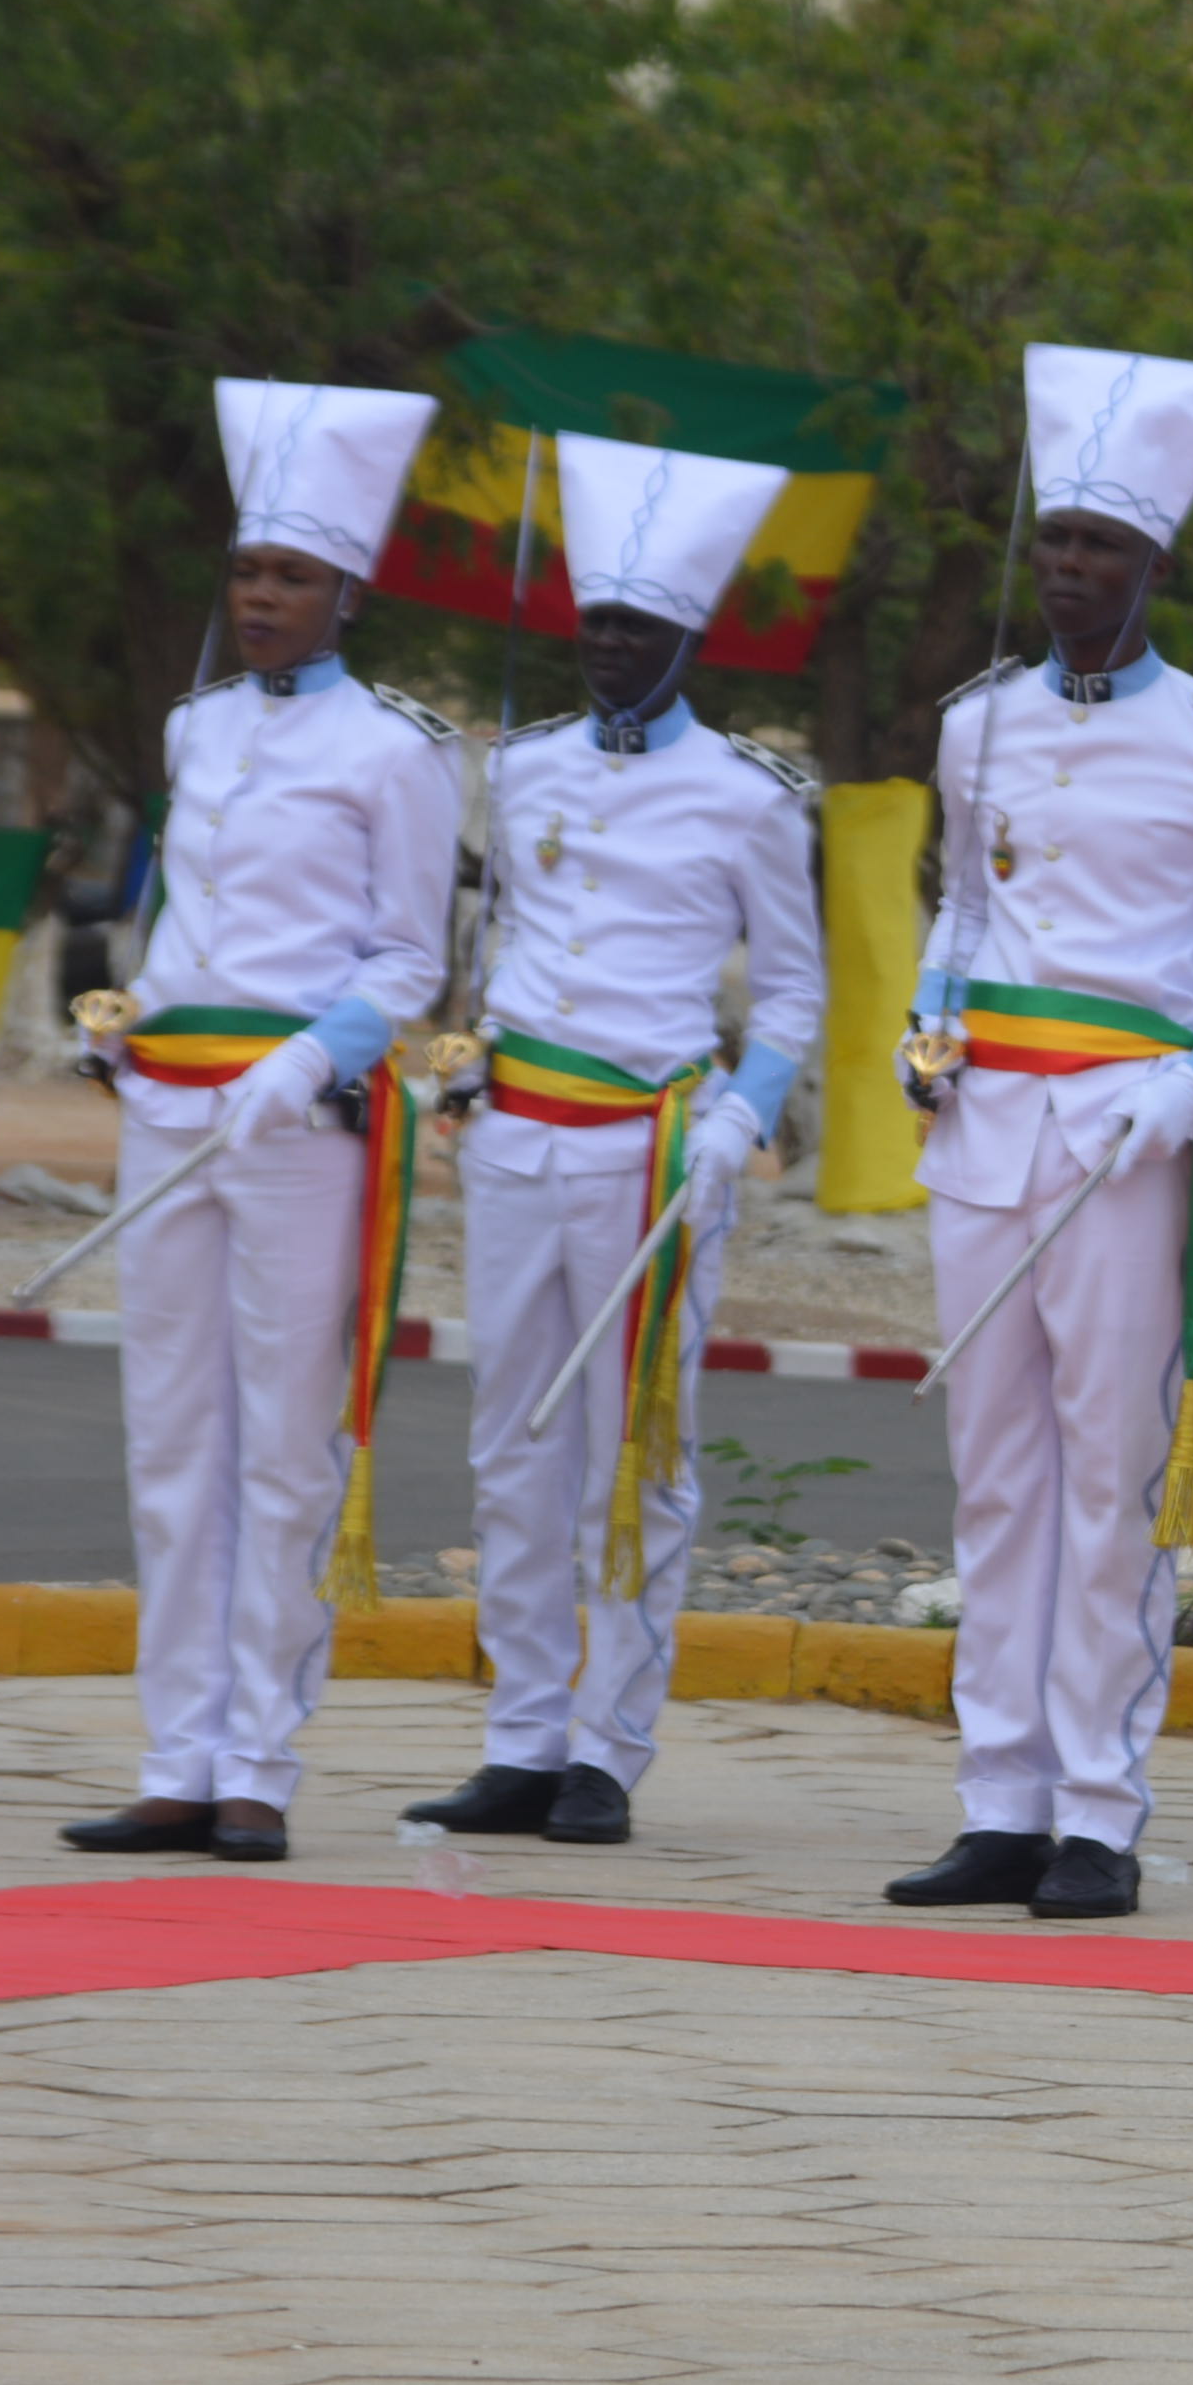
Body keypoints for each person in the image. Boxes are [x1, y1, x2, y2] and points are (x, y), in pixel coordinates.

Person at [890, 345, 1193, 1922]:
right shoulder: (980, 726)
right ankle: (999, 1802)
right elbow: (964, 909)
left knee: (1111, 1477)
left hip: (1128, 1144)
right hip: (983, 1130)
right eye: (1057, 541)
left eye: (1101, 546)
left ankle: (1097, 1810)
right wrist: (928, 1020)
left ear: (1154, 563)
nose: (1070, 569)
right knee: (995, 1478)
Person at [62, 379, 460, 1867]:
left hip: (297, 1122)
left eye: (290, 575)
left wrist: (304, 1063)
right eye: (246, 572)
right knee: (170, 1439)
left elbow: (409, 961)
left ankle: (257, 1767)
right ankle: (175, 1757)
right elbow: (185, 918)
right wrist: (125, 1023)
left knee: (284, 1444)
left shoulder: (395, 749)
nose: (260, 598)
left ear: (347, 593)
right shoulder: (196, 727)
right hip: (169, 1109)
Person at [408, 430, 823, 1850]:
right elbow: (503, 946)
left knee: (633, 1455)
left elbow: (795, 995)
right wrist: (468, 1064)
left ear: (689, 638)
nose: (609, 646)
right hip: (517, 1137)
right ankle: (522, 1735)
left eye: (639, 626)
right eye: (595, 621)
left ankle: (607, 1747)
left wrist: (740, 1112)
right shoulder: (522, 769)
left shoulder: (750, 794)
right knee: (511, 1443)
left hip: (654, 1149)